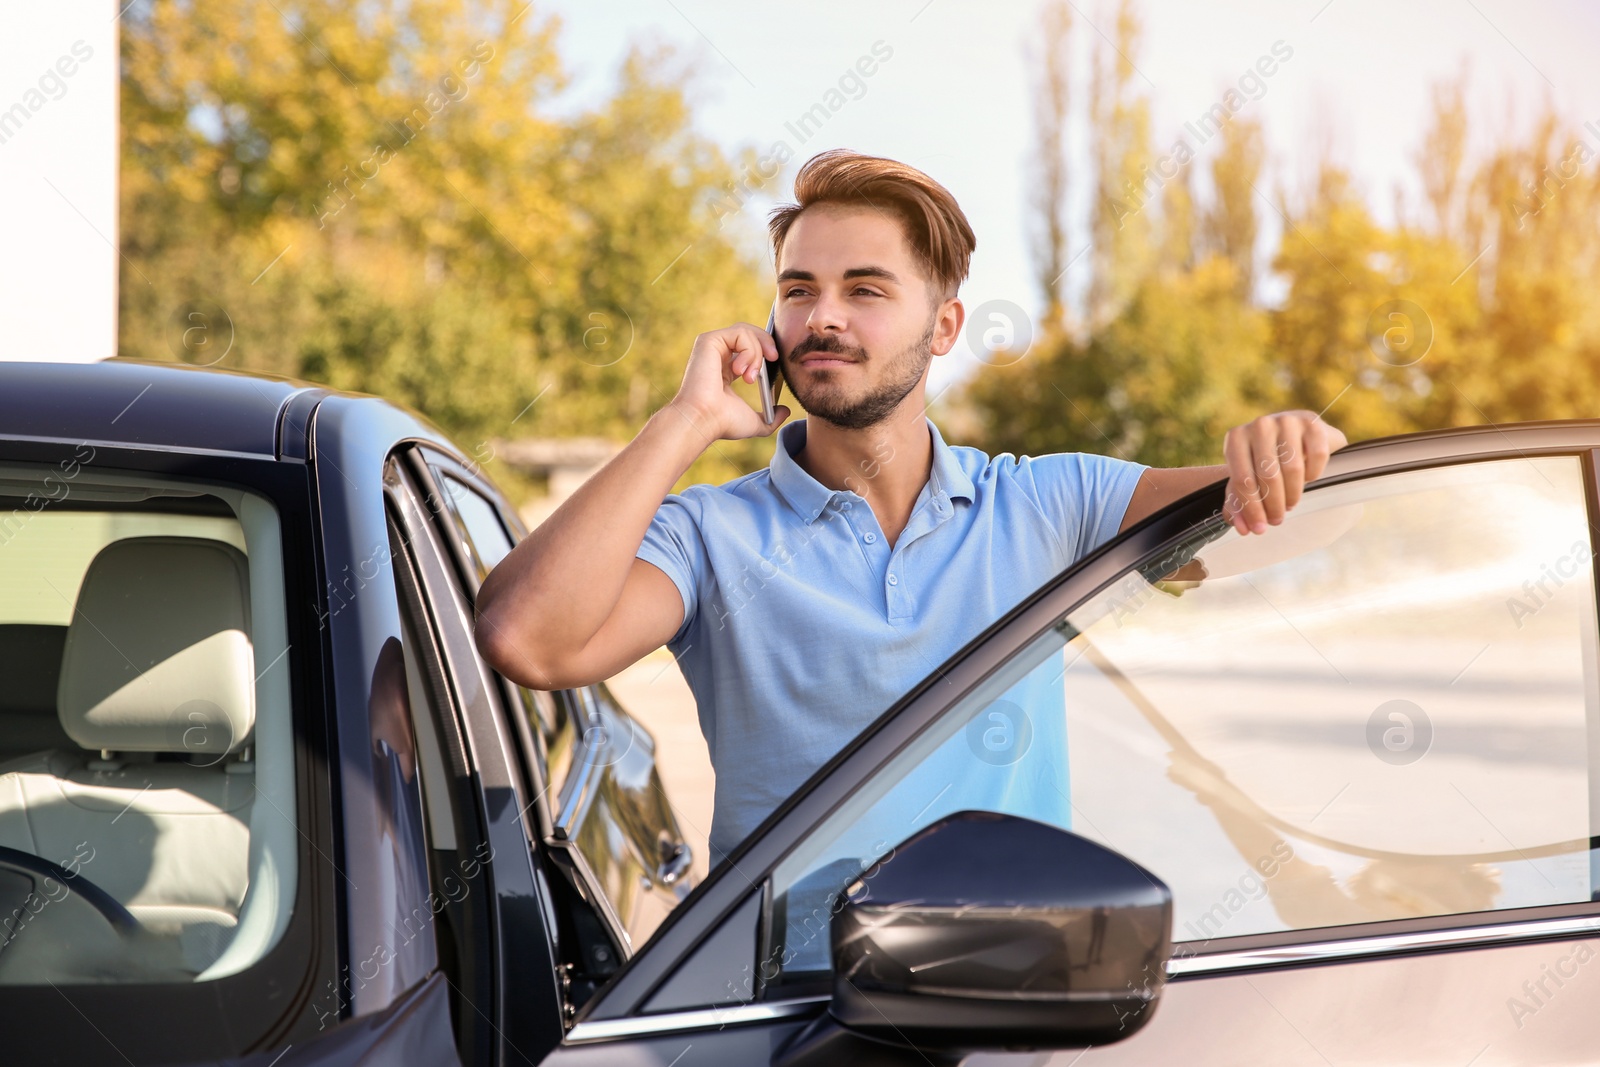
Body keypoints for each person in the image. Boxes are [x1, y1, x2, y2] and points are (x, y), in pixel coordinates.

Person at [474, 148, 1346, 869]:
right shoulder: (709, 533)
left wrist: (1298, 446)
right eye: (798, 289)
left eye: (865, 289)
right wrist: (685, 421)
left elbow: (1315, 516)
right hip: (783, 1019)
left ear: (945, 326)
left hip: (1011, 1006)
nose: (822, 318)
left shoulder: (1052, 502)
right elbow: (528, 639)